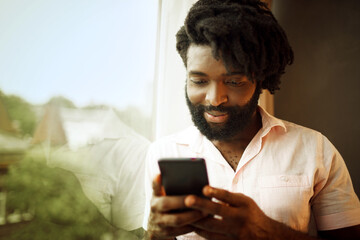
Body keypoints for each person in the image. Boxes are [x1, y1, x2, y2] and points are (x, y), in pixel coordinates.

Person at [143, 0, 360, 239]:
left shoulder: (315, 149)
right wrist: (155, 233)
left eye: (234, 82)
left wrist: (264, 232)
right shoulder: (163, 152)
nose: (215, 100)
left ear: (261, 79)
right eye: (199, 81)